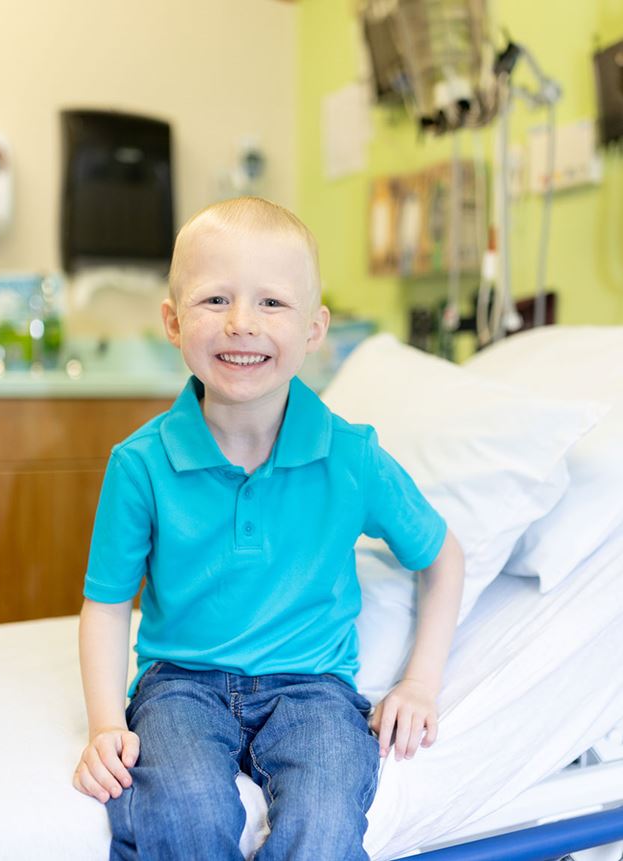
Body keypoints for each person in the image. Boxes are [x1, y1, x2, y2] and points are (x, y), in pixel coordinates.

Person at [73, 197, 465, 860]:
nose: (240, 324)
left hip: (313, 687)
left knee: (323, 815)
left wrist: (419, 682)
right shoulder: (138, 462)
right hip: (180, 682)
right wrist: (106, 721)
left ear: (314, 329)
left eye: (271, 304)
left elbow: (442, 555)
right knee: (185, 808)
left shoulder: (350, 455)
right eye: (214, 300)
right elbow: (107, 605)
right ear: (172, 321)